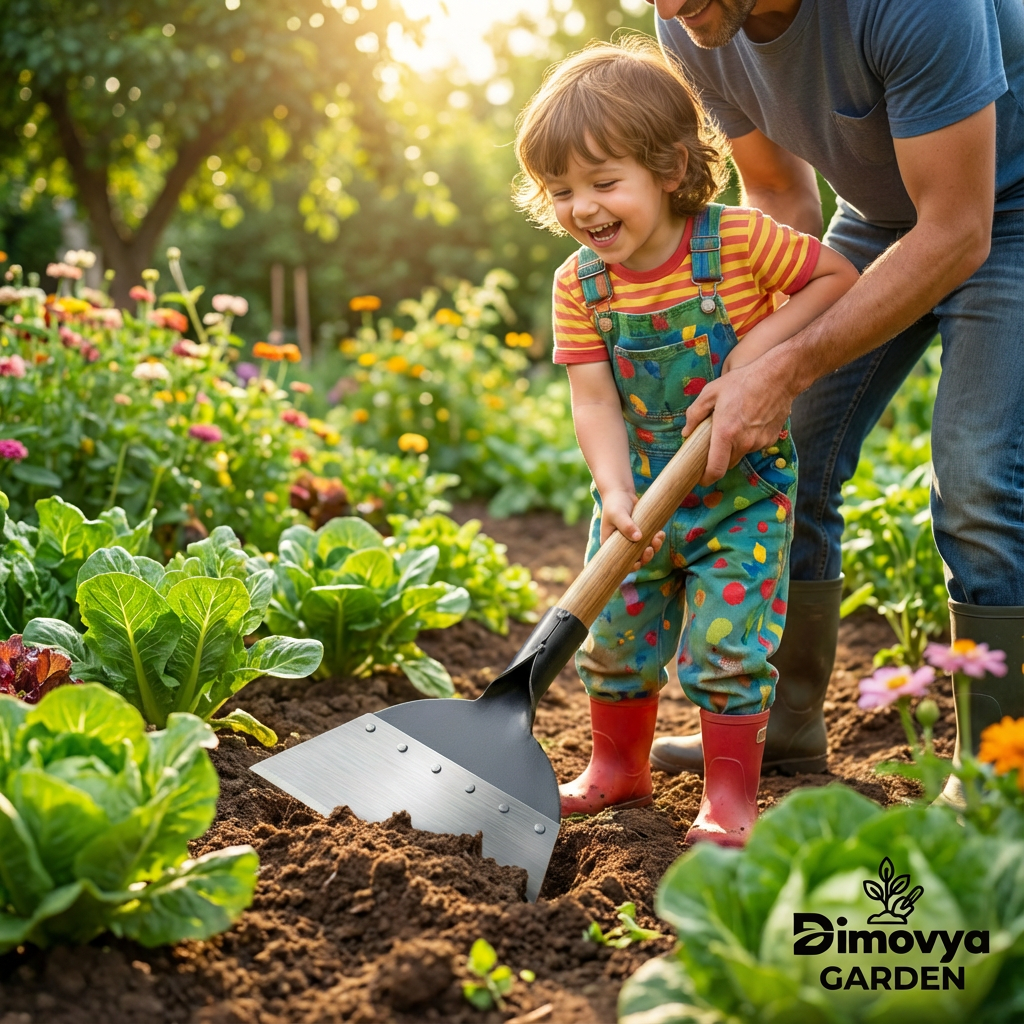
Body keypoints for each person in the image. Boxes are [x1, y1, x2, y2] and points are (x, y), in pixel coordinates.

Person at [648, 0, 1024, 795]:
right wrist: (750, 356)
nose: (669, 7)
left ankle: (1000, 774)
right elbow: (779, 196)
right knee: (787, 452)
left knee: (977, 478)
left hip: (1006, 210)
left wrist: (785, 370)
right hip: (879, 219)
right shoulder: (693, 21)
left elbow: (959, 230)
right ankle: (783, 723)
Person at [513, 39, 858, 845]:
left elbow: (836, 279)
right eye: (561, 190)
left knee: (726, 649)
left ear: (669, 167)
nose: (582, 208)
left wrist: (759, 350)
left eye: (604, 182)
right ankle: (617, 770)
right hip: (638, 501)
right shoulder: (579, 284)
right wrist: (614, 493)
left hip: (741, 499)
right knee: (614, 638)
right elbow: (594, 399)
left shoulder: (737, 242)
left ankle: (730, 799)